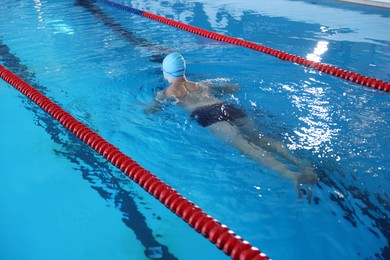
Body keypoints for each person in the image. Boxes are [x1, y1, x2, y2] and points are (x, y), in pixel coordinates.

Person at [145, 53, 319, 202]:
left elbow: (151, 112)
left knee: (247, 148)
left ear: (165, 72)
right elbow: (233, 88)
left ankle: (292, 175)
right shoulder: (201, 85)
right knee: (261, 138)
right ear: (183, 69)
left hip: (208, 116)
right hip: (226, 107)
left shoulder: (166, 93)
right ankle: (303, 164)